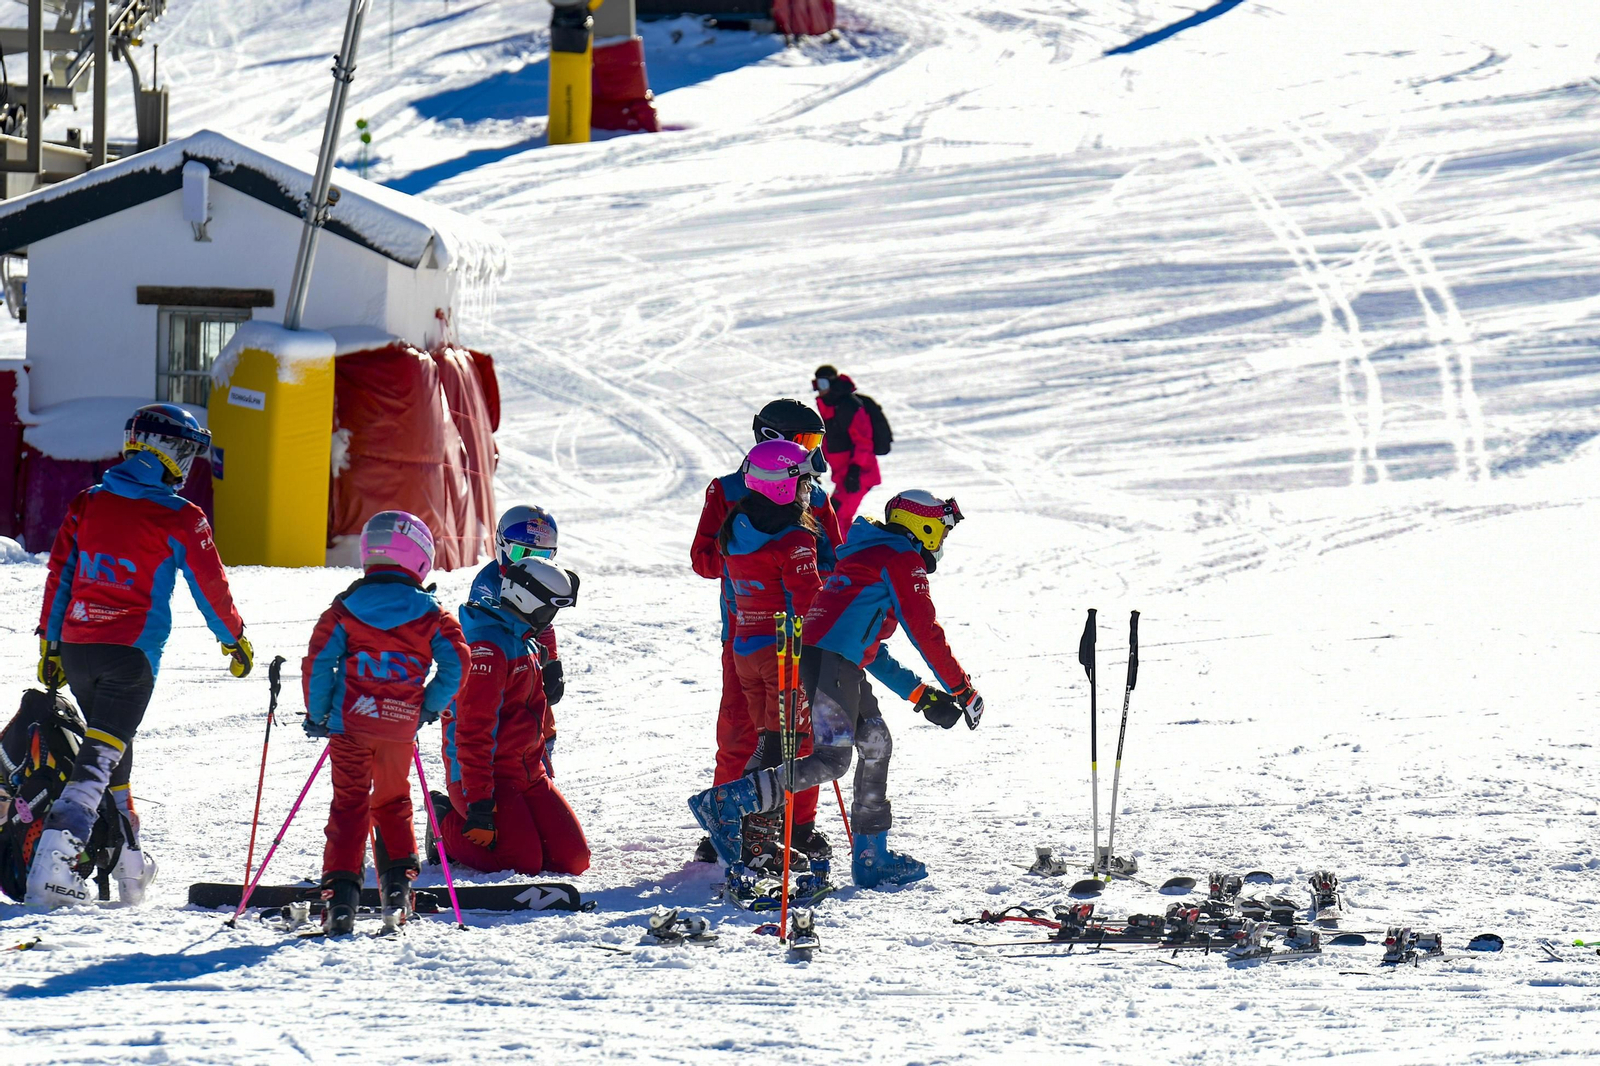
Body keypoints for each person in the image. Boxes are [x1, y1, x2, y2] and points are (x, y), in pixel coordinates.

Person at [690, 491, 984, 889]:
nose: (941, 544)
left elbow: (864, 647)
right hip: (831, 664)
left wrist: (920, 695)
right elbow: (925, 631)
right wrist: (962, 690)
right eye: (941, 534)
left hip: (829, 659)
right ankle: (729, 800)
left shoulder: (866, 554)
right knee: (833, 760)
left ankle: (871, 855)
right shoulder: (901, 560)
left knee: (875, 740)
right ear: (925, 528)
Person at [27, 404, 253, 909]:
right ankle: (53, 865)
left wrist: (50, 642)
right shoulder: (180, 515)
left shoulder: (88, 503)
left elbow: (60, 574)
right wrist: (234, 638)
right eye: (189, 451)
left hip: (81, 650)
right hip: (131, 657)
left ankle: (131, 867)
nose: (189, 463)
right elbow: (210, 586)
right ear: (168, 449)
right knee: (100, 756)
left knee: (115, 755)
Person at [690, 399, 843, 865]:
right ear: (771, 438)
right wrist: (755, 558)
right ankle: (730, 818)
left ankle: (797, 824)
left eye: (816, 442)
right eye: (805, 442)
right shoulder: (728, 491)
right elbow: (703, 559)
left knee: (802, 726)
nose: (812, 453)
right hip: (745, 625)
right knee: (743, 728)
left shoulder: (812, 494)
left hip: (800, 627)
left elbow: (834, 558)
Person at [302, 511, 470, 934]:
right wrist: (427, 708)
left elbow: (319, 662)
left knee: (349, 805)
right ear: (418, 558)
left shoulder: (343, 609)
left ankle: (340, 902)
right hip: (398, 727)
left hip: (350, 726)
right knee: (393, 803)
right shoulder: (432, 614)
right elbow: (458, 662)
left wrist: (318, 714)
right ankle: (397, 895)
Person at [439, 556, 590, 878]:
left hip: (527, 773)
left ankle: (514, 824)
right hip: (485, 780)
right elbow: (471, 731)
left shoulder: (521, 640)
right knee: (522, 862)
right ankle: (443, 822)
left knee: (572, 860)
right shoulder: (488, 649)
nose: (550, 619)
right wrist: (479, 803)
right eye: (549, 609)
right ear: (528, 602)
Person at [718, 439, 827, 872]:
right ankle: (759, 839)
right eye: (803, 482)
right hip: (783, 649)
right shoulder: (795, 537)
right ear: (783, 485)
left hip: (746, 646)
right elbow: (807, 600)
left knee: (767, 740)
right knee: (791, 746)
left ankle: (749, 829)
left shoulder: (736, 524)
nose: (808, 491)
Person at [470, 506, 565, 776]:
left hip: (530, 671)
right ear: (502, 547)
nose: (531, 564)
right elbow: (484, 637)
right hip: (505, 674)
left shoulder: (541, 580)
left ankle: (539, 764)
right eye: (523, 554)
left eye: (542, 556)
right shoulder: (489, 585)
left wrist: (552, 662)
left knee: (539, 723)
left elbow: (544, 622)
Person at [812, 366, 882, 527]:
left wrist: (855, 471)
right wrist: (817, 465)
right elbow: (829, 440)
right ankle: (841, 550)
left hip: (860, 474)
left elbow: (864, 442)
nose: (818, 390)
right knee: (833, 516)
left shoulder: (849, 406)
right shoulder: (830, 406)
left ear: (832, 383)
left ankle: (843, 552)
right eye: (817, 384)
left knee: (838, 518)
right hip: (844, 475)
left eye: (823, 384)